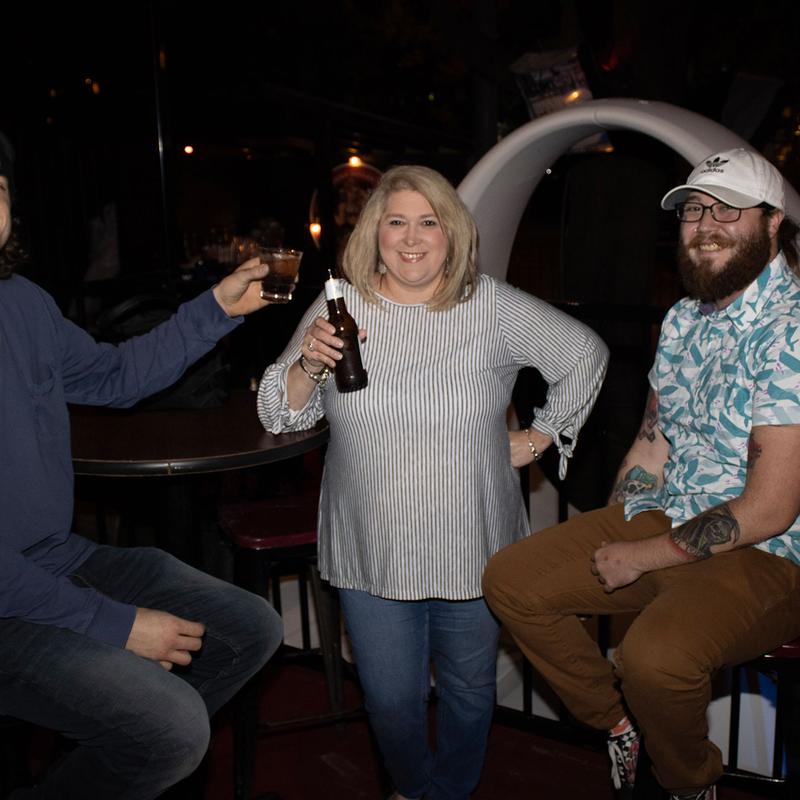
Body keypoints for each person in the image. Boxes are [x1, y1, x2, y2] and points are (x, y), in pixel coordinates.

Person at [257, 164, 609, 800]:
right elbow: (279, 415)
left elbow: (585, 353)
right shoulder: (340, 307)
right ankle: (413, 787)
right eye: (397, 221)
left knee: (469, 692)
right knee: (391, 701)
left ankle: (449, 791)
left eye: (430, 221)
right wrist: (308, 362)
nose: (412, 237)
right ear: (375, 231)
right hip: (372, 542)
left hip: (471, 541)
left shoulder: (491, 305)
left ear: (453, 233)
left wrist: (538, 437)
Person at [482, 148, 800, 800]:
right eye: (693, 210)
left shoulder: (791, 331)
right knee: (511, 581)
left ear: (773, 223)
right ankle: (618, 722)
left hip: (770, 553)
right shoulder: (683, 319)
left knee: (654, 660)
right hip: (672, 516)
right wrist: (617, 521)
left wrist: (641, 556)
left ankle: (689, 784)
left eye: (728, 210)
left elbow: (769, 510)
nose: (705, 225)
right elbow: (652, 446)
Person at [0, 132, 283, 799]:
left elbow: (113, 376)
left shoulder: (23, 302)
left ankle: (108, 739)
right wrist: (116, 626)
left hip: (54, 558)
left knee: (250, 629)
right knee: (172, 729)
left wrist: (215, 309)